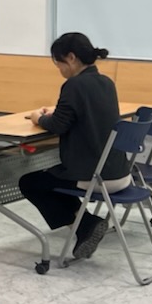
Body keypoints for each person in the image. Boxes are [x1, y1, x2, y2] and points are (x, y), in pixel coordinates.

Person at [18, 32, 126, 260]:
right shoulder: (107, 83)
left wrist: (38, 117)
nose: (59, 69)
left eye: (58, 63)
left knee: (30, 182)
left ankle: (85, 223)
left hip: (95, 176)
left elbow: (58, 126)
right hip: (119, 171)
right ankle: (85, 223)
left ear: (71, 57)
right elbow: (84, 114)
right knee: (53, 178)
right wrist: (58, 113)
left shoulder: (74, 85)